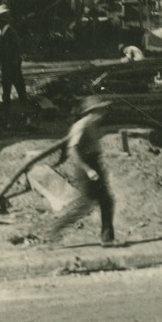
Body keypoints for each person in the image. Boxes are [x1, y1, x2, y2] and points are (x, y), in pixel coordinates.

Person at [47, 95, 118, 246]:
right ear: (92, 111)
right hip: (85, 167)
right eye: (101, 109)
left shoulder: (94, 124)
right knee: (85, 204)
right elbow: (72, 150)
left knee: (106, 201)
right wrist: (88, 169)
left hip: (94, 164)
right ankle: (54, 231)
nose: (104, 112)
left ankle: (107, 238)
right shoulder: (81, 126)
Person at [0, 4, 29, 108]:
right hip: (8, 66)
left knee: (17, 88)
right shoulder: (4, 33)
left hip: (11, 66)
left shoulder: (10, 33)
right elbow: (1, 52)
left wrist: (14, 63)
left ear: (2, 20)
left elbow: (16, 49)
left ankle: (20, 110)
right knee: (9, 90)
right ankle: (9, 111)